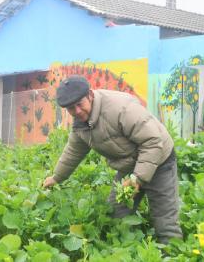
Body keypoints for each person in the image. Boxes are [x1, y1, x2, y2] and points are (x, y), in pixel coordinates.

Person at [43, 75, 183, 244]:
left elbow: (153, 141)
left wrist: (137, 179)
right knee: (116, 214)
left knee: (164, 222)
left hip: (160, 159)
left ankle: (173, 254)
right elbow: (73, 151)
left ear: (90, 95)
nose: (77, 111)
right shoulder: (81, 124)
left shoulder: (121, 108)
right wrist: (56, 177)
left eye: (79, 104)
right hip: (129, 165)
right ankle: (124, 251)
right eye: (71, 108)